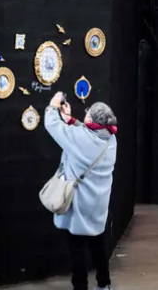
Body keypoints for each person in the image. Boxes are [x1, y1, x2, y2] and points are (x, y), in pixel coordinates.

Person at [45, 92, 118, 290]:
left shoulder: (80, 138)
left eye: (88, 114)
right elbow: (87, 133)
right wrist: (70, 120)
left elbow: (52, 125)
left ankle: (80, 287)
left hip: (78, 205)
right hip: (98, 205)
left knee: (76, 248)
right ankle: (104, 284)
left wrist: (53, 106)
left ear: (91, 120)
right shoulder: (111, 140)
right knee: (97, 244)